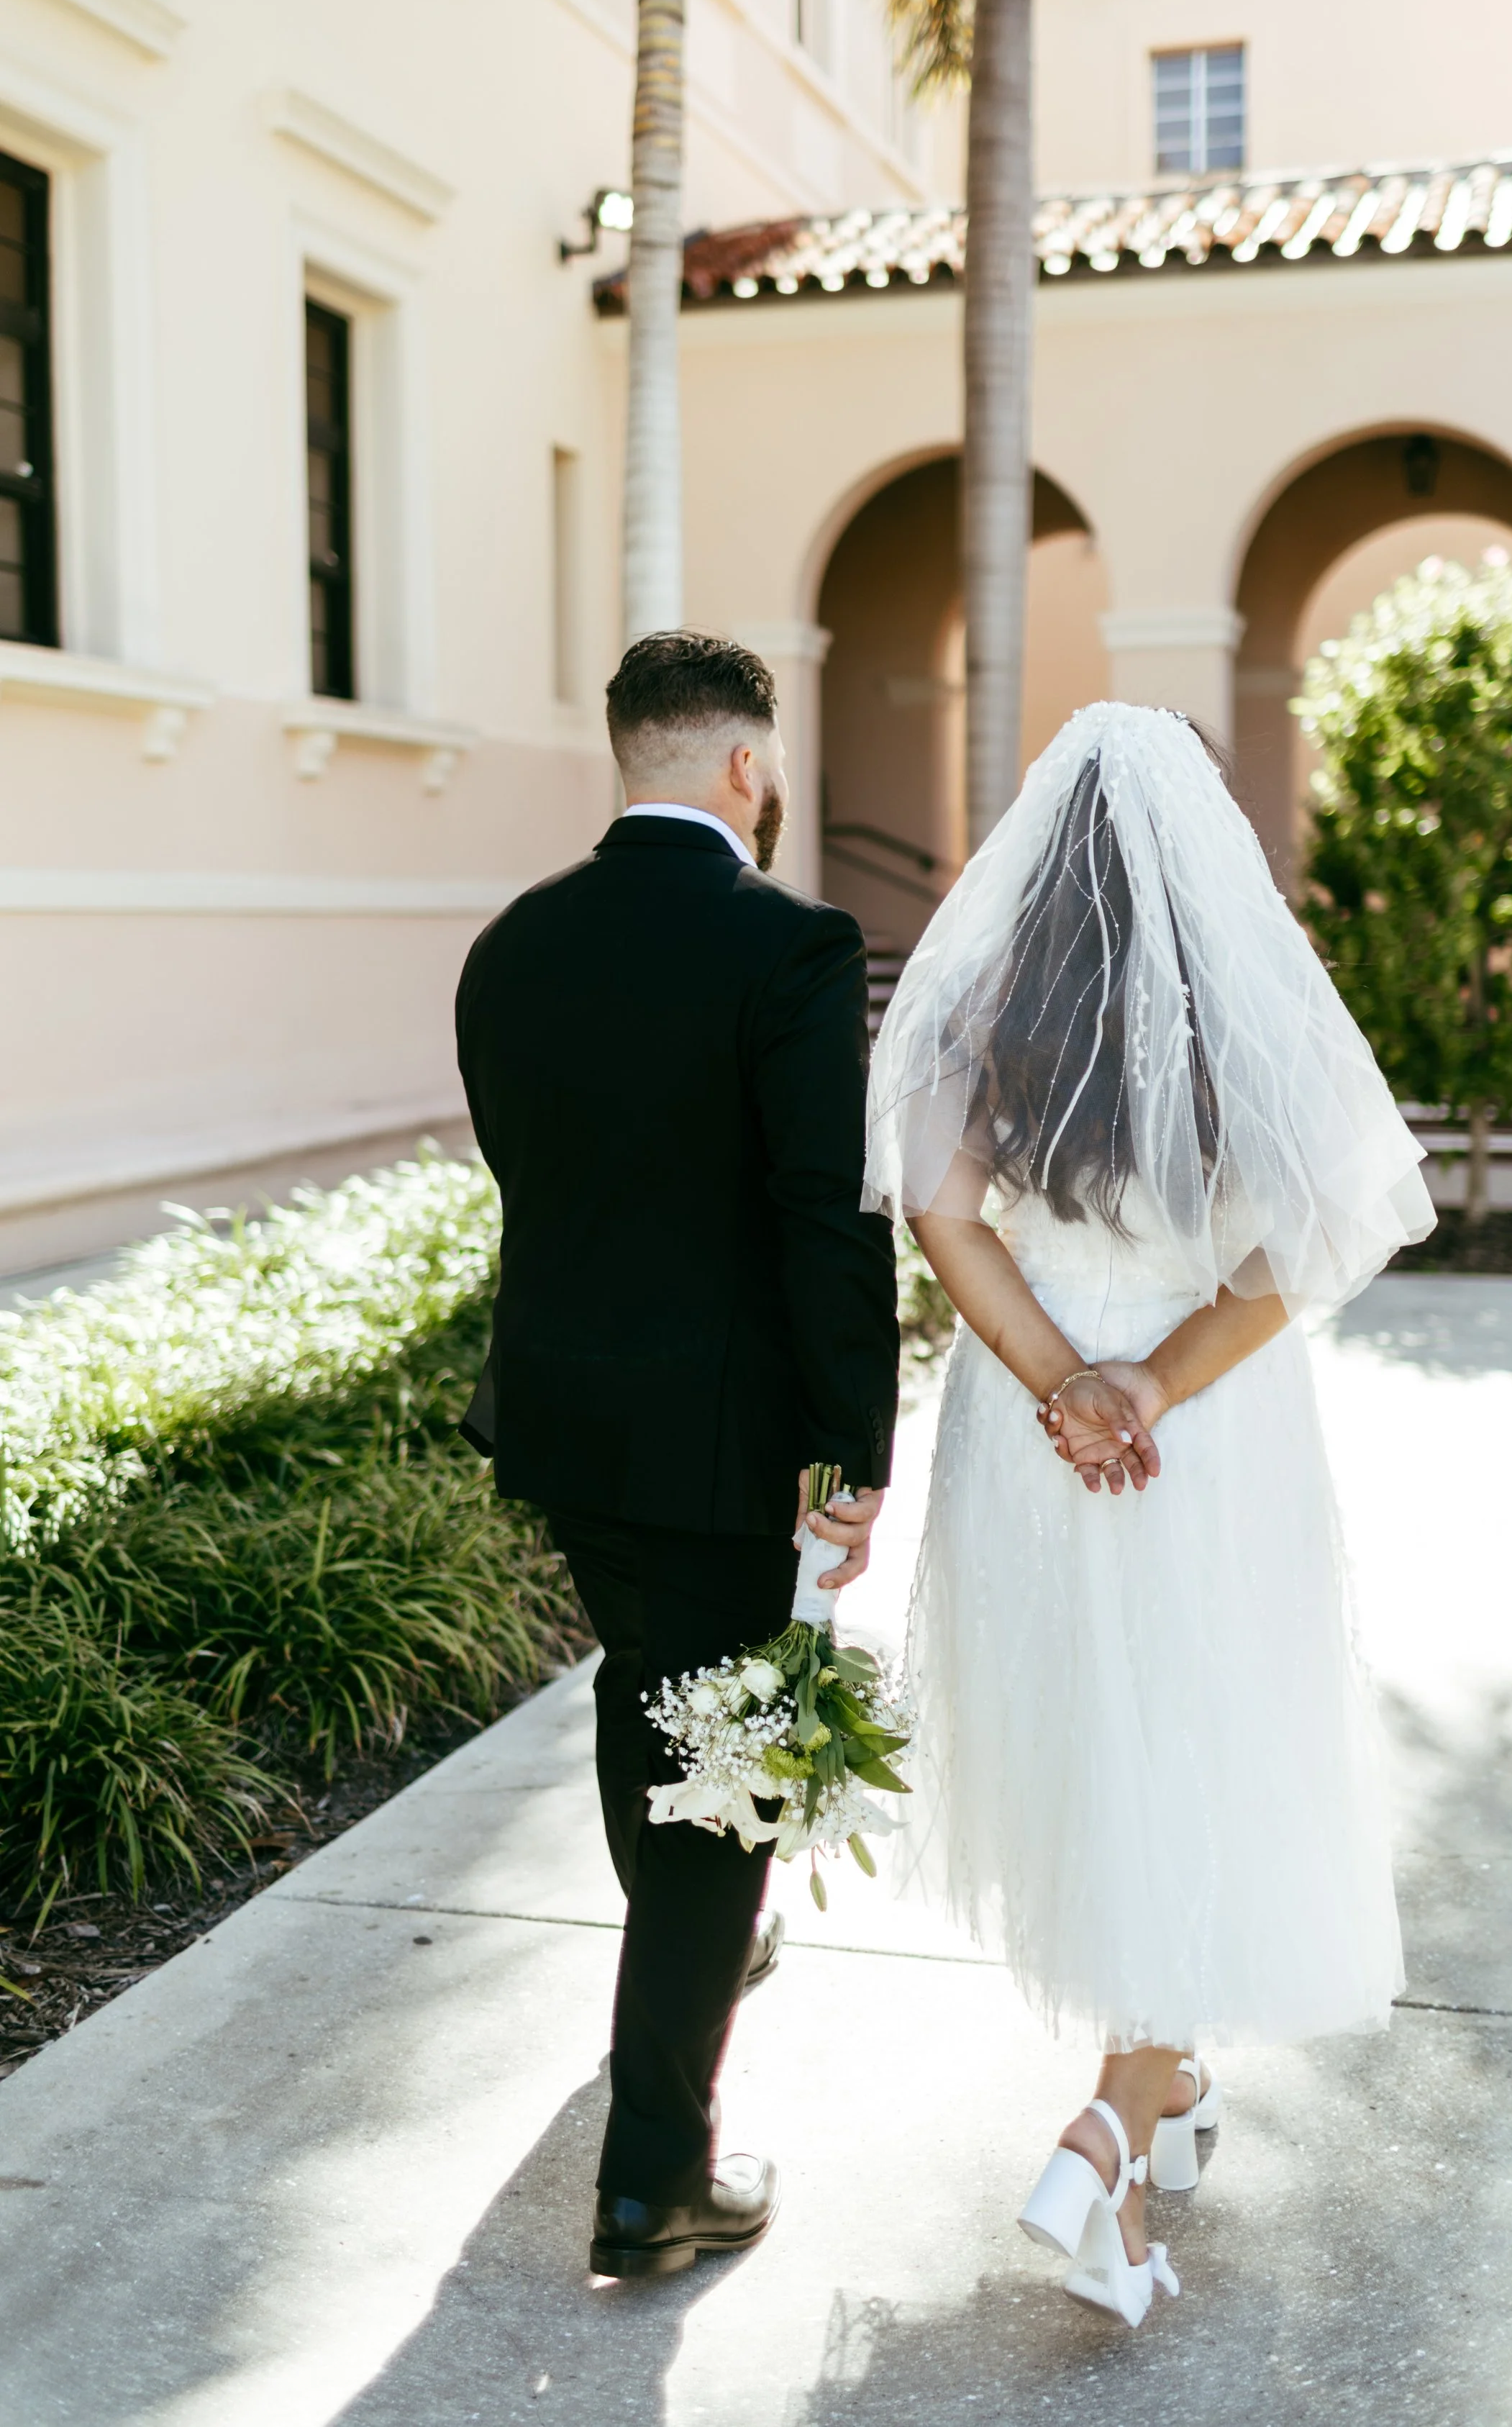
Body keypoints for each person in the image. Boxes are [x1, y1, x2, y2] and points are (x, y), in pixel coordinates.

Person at [863, 701, 1434, 2328]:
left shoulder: (978, 1001)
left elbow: (941, 1213)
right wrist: (1153, 1386)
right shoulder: (1243, 998)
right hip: (1208, 1433)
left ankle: (1157, 2093)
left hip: (1033, 1436)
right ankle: (1115, 2119)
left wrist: (1062, 1383)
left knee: (1104, 1752)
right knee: (1195, 1749)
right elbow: (1323, 1233)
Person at [456, 631, 899, 2279]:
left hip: (568, 1426)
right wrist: (850, 1443)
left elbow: (538, 1178)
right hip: (721, 1444)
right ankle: (655, 2178)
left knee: (640, 1688)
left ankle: (694, 1961)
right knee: (727, 1778)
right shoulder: (785, 944)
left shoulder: (511, 946)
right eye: (767, 764)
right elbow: (822, 1218)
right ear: (740, 764)